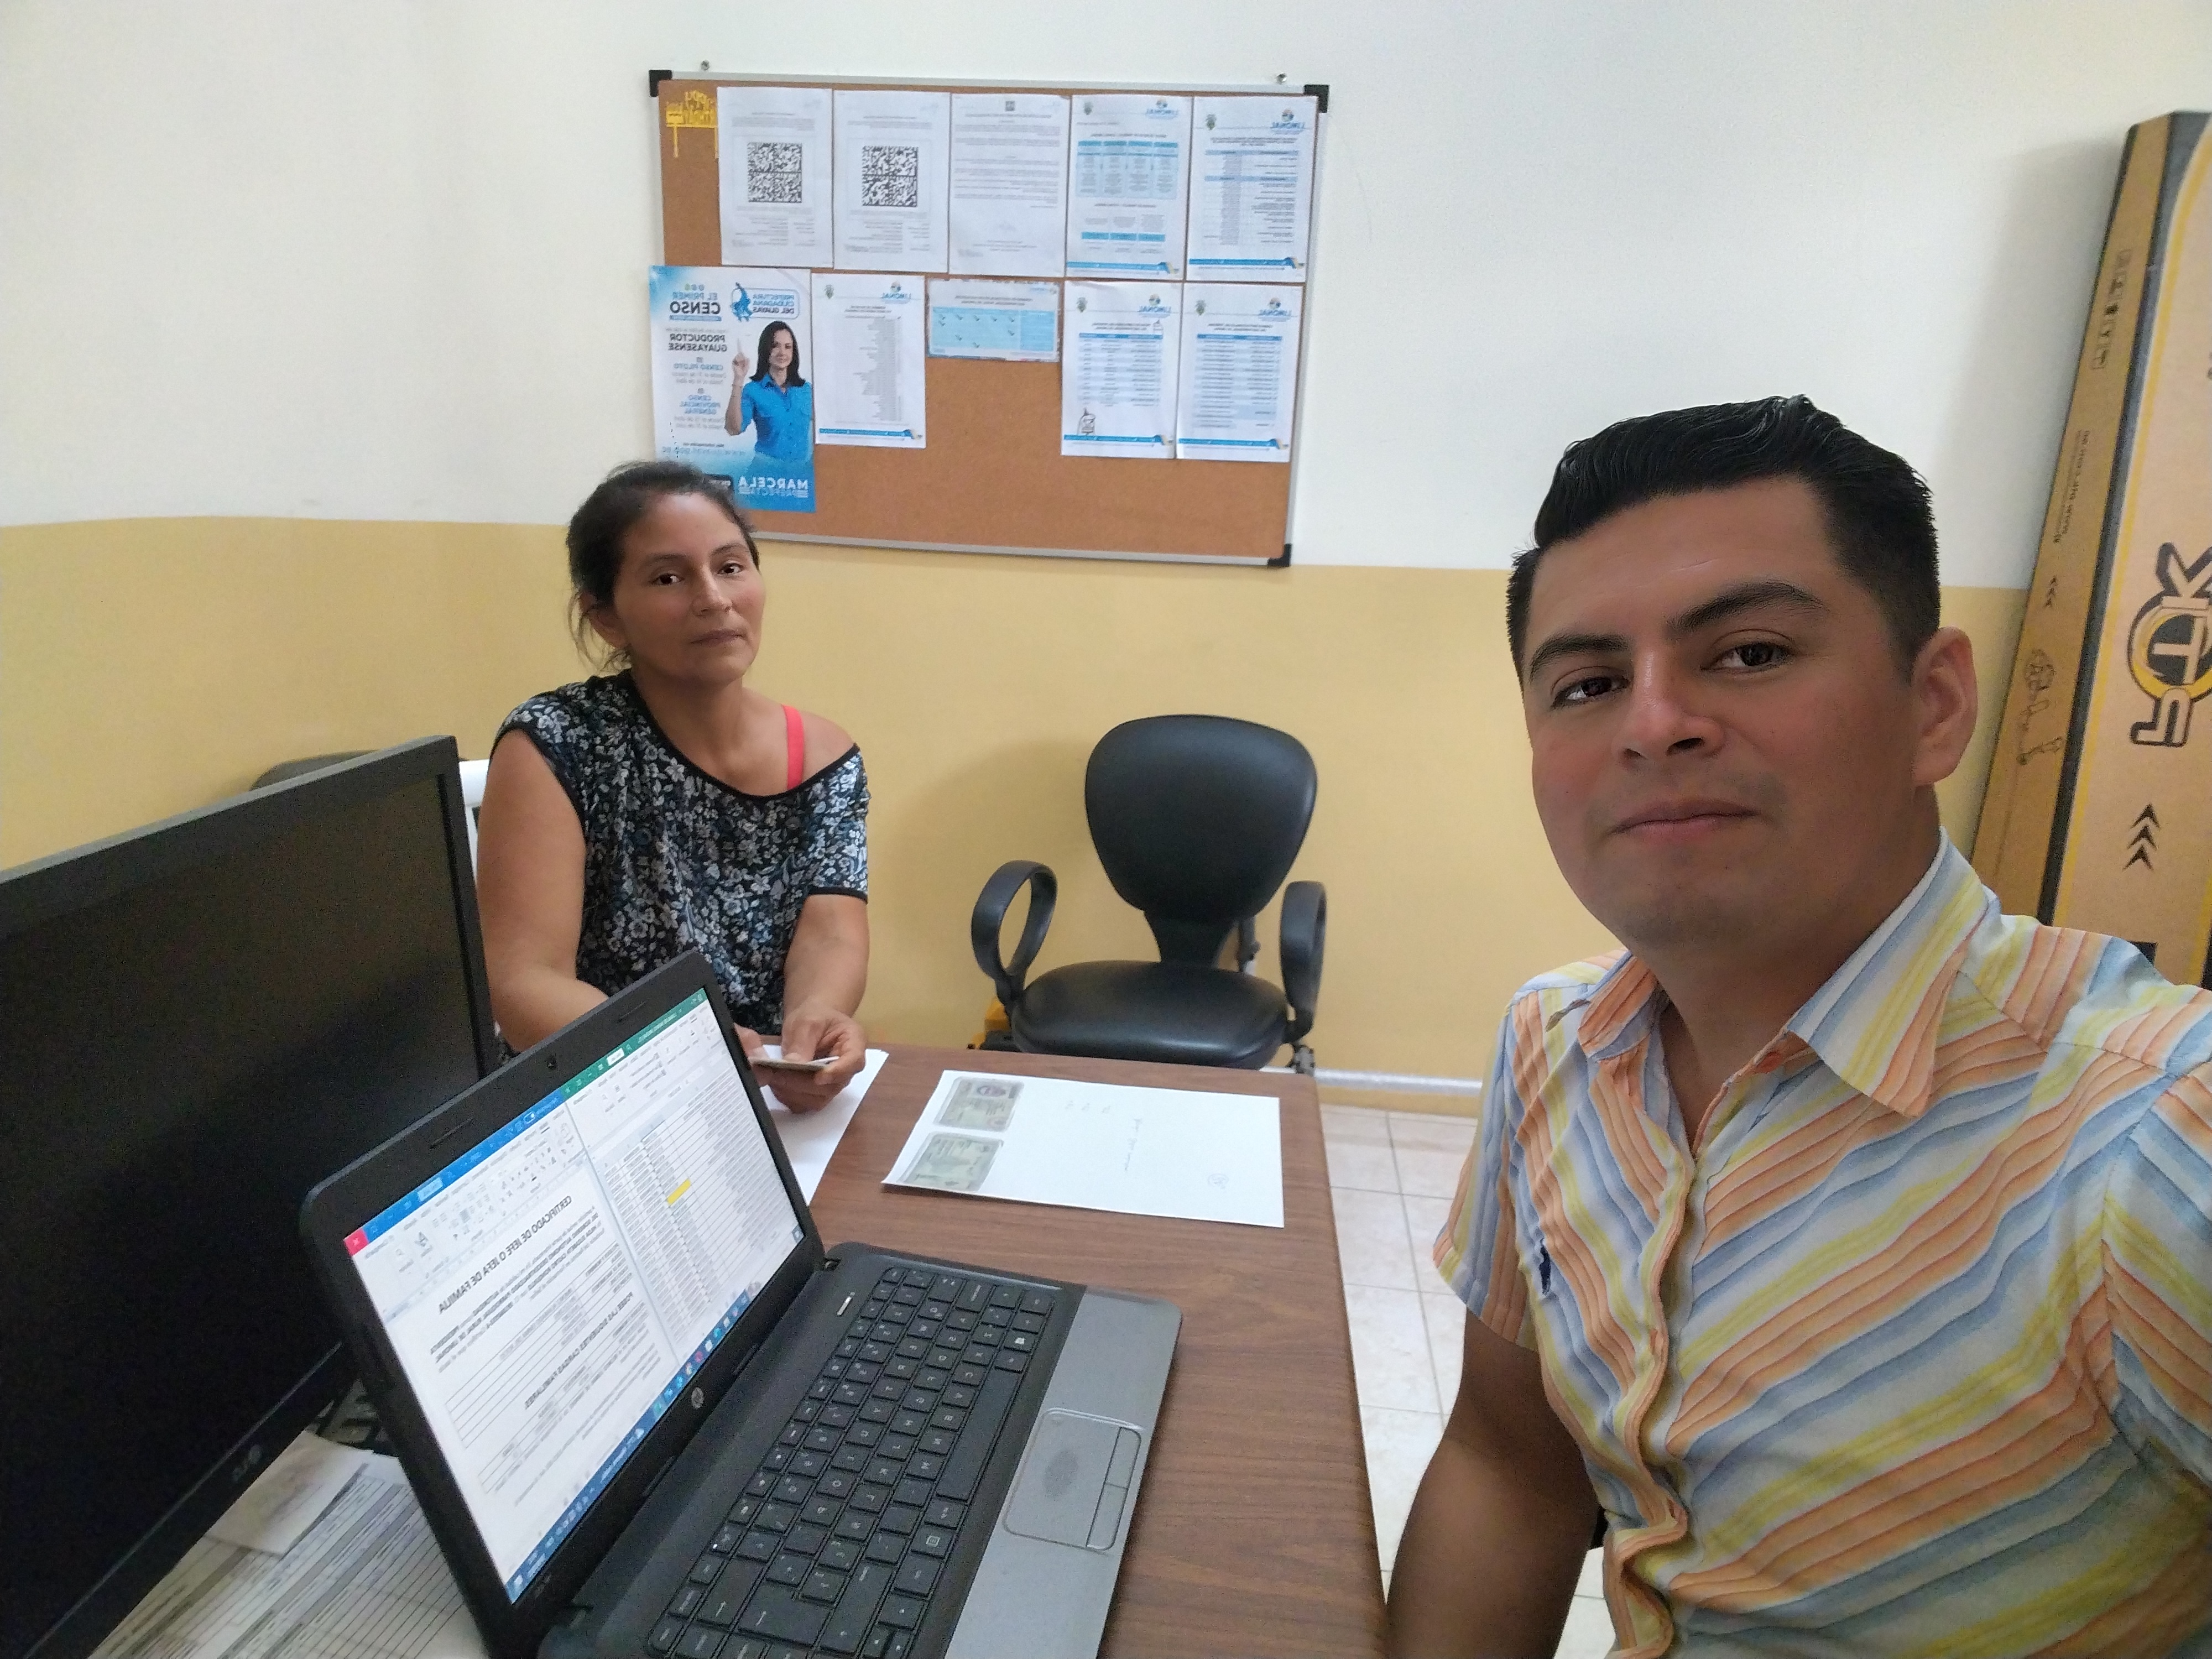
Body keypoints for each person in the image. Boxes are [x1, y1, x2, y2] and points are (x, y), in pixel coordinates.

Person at [1389, 397, 2212, 1656]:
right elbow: (1508, 1465)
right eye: (1588, 683)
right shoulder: (1557, 1045)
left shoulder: (2150, 1139)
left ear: (1934, 705)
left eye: (1750, 653)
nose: (1652, 722)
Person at [476, 460, 867, 1112]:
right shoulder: (554, 744)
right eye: (668, 577)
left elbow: (832, 934)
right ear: (605, 617)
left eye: (731, 567)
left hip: (756, 1099)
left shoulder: (825, 758)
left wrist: (815, 1023)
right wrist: (682, 1052)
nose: (714, 599)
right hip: (598, 1100)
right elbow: (523, 982)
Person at [724, 319, 812, 468]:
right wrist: (738, 380)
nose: (782, 353)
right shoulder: (753, 390)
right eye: (775, 346)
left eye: (788, 347)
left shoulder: (807, 390)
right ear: (766, 350)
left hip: (800, 474)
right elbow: (734, 429)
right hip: (765, 472)